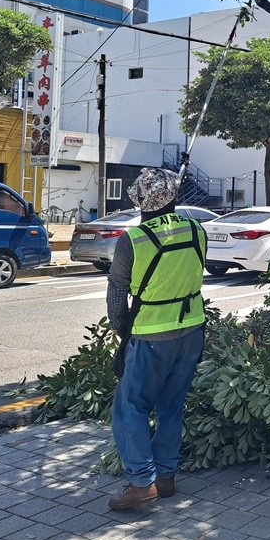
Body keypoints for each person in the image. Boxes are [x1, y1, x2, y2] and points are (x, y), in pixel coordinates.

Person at [105, 167, 208, 510]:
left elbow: (118, 290)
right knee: (171, 406)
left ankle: (141, 482)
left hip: (151, 333)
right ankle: (165, 478)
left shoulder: (132, 240)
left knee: (130, 406)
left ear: (138, 200)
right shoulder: (196, 229)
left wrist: (121, 328)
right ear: (174, 198)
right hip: (192, 329)